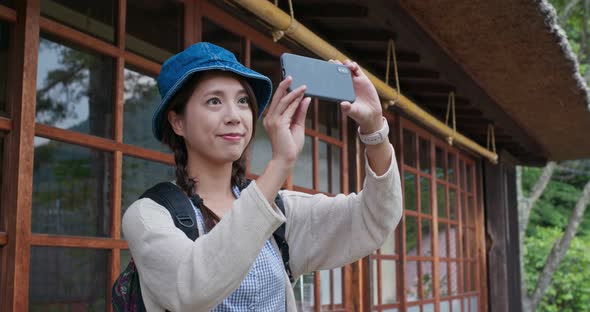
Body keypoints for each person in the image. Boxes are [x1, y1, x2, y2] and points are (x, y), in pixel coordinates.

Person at [122, 42, 402, 312]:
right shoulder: (148, 216)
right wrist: (280, 163)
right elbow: (193, 289)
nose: (234, 116)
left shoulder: (283, 211)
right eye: (214, 101)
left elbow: (374, 219)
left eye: (243, 100)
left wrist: (374, 129)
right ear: (178, 122)